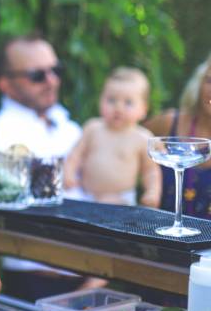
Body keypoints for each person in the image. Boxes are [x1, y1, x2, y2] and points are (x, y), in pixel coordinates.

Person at [0, 34, 83, 302]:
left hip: (90, 277)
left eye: (55, 71)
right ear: (6, 85)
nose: (52, 81)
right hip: (33, 283)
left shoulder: (70, 128)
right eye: (37, 75)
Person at [64, 67, 162, 207]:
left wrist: (152, 192)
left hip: (121, 198)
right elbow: (75, 156)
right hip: (85, 195)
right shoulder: (93, 128)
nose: (118, 108)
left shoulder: (142, 138)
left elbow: (151, 171)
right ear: (100, 100)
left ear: (143, 109)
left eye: (128, 102)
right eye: (111, 100)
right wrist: (69, 173)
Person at [145, 52, 211, 220]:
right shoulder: (169, 122)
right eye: (210, 80)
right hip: (161, 236)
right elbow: (129, 137)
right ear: (199, 83)